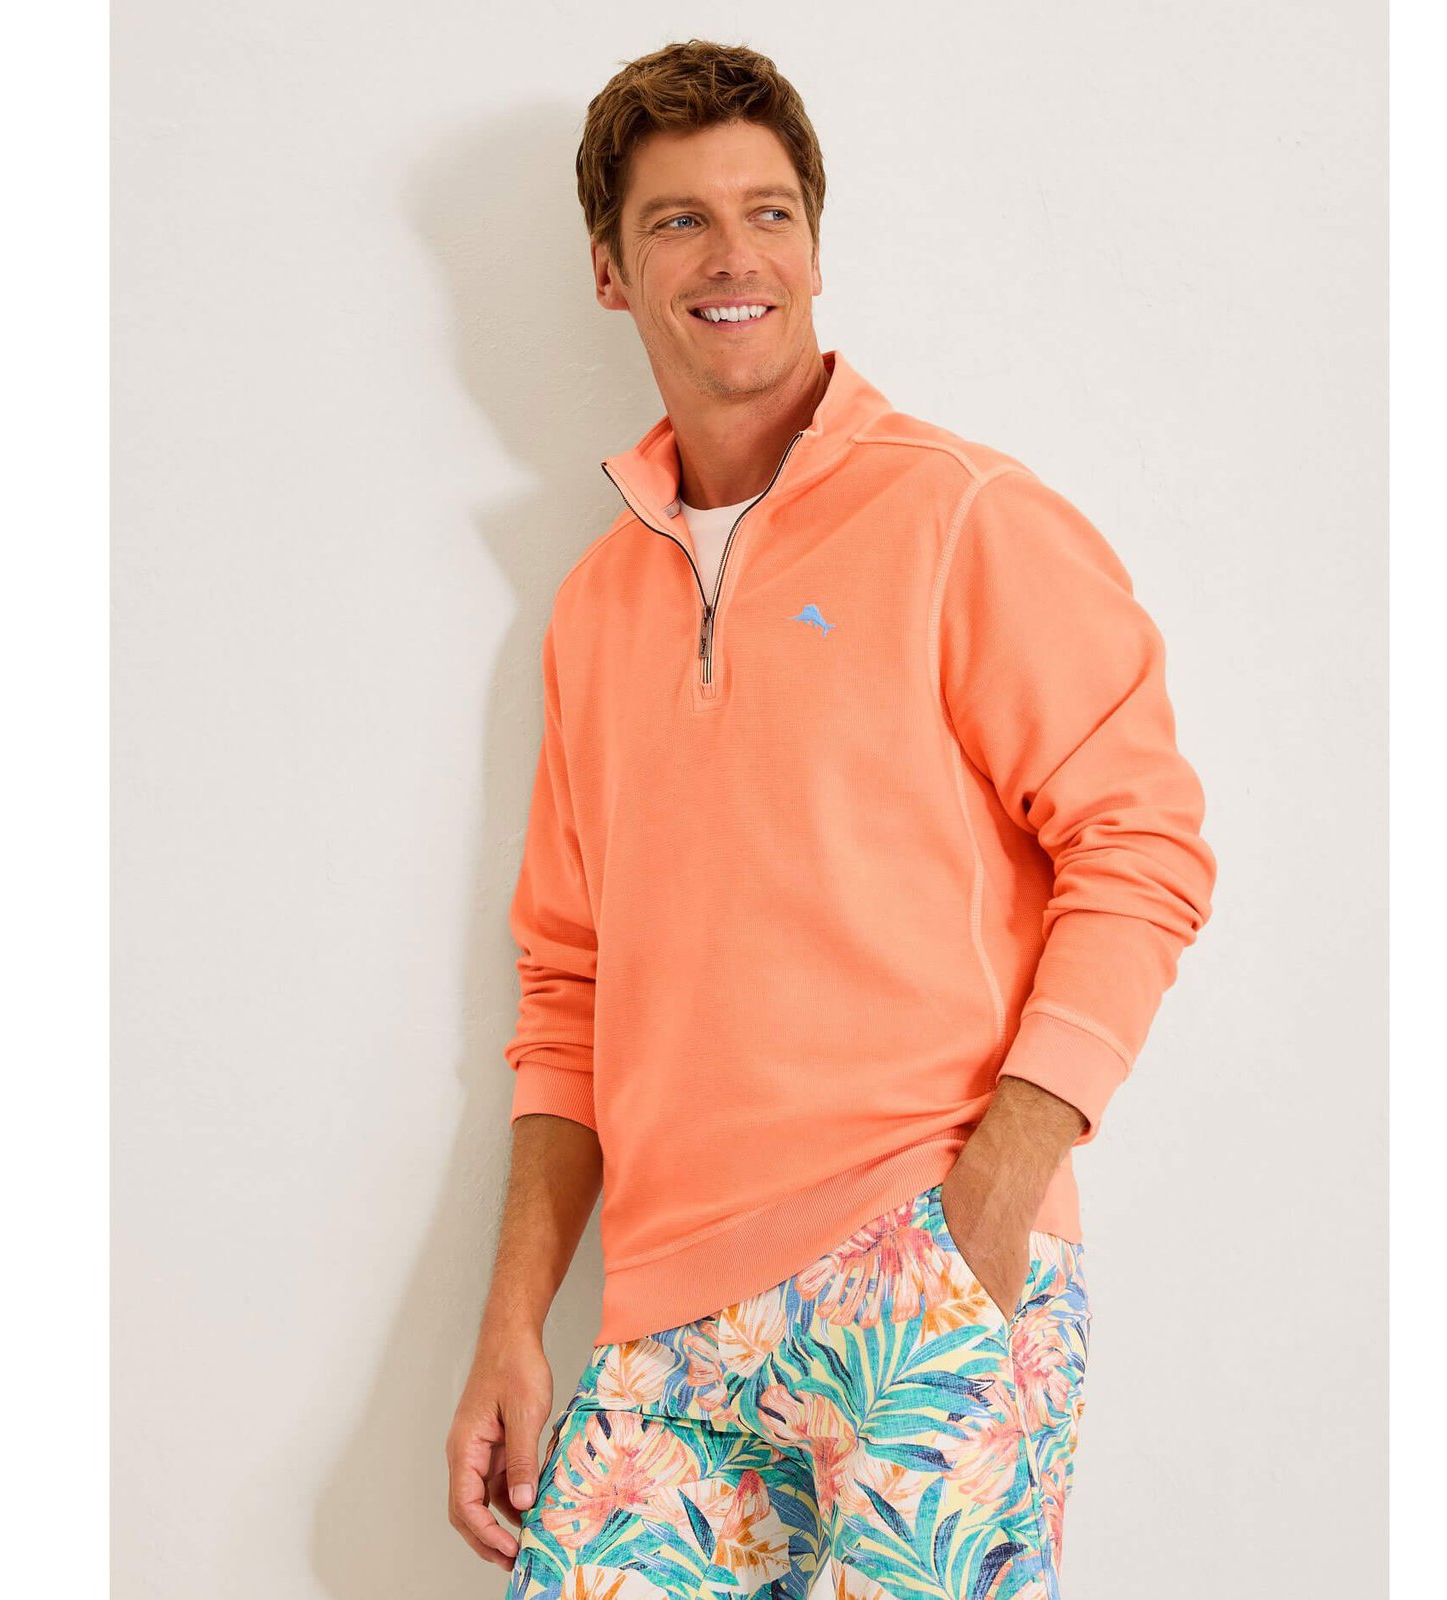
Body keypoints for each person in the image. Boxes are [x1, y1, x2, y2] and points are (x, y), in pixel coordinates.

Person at [448, 38, 1217, 1599]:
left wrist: (996, 1190)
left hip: (920, 1263)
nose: (733, 257)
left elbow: (1141, 844)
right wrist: (513, 1322)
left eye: (770, 213)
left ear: (814, 246)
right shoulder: (593, 609)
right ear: (608, 270)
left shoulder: (959, 515)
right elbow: (568, 988)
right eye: (679, 221)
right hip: (663, 1328)